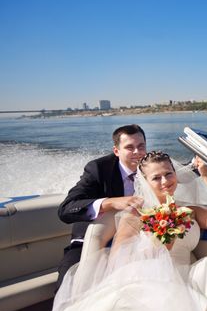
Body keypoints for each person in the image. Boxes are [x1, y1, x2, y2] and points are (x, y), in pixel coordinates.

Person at [51, 151, 207, 311]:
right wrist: (162, 243)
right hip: (149, 280)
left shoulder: (190, 210)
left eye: (168, 174)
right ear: (145, 181)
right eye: (156, 178)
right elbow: (119, 259)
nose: (165, 181)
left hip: (186, 276)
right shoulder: (135, 214)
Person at [56, 124, 147, 289]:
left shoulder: (150, 165)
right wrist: (110, 202)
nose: (137, 152)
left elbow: (177, 171)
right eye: (129, 147)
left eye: (141, 146)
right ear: (116, 151)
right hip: (91, 241)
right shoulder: (98, 169)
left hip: (137, 239)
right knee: (69, 284)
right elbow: (66, 209)